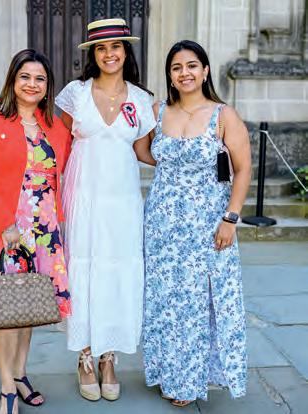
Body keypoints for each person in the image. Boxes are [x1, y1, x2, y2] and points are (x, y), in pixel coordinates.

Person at [0, 49, 71, 414]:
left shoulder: (55, 127)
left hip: (44, 228)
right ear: (12, 79)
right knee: (5, 306)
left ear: (47, 86)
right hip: (2, 227)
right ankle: (7, 384)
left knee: (29, 303)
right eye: (25, 76)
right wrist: (6, 223)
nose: (32, 84)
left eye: (40, 79)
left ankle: (21, 373)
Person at [142, 40, 251, 406]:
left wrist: (230, 218)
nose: (184, 73)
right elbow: (142, 150)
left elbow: (243, 169)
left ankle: (190, 380)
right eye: (176, 67)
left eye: (191, 65)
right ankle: (167, 372)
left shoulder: (224, 115)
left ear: (204, 70)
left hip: (208, 225)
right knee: (165, 300)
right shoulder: (157, 111)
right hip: (162, 224)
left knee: (199, 302)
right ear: (170, 75)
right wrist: (177, 170)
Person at [56, 18, 156, 402]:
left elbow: (144, 151)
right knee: (82, 270)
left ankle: (108, 357)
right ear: (93, 55)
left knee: (117, 271)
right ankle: (84, 355)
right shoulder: (75, 94)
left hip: (123, 200)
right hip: (83, 196)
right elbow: (59, 146)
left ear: (126, 51)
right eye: (101, 48)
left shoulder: (142, 100)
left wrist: (188, 161)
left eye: (116, 46)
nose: (109, 54)